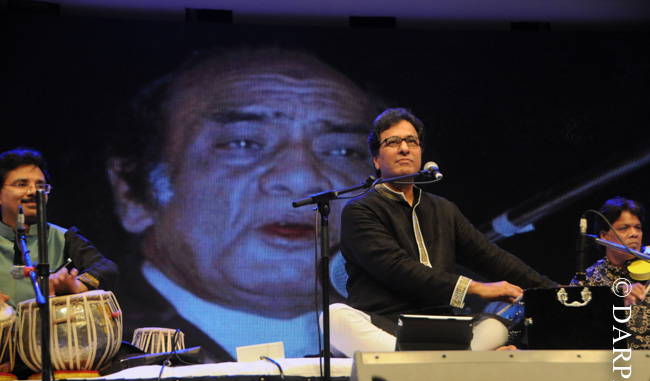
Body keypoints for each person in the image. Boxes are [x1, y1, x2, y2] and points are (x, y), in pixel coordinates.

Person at [107, 47, 383, 360]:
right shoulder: (94, 344)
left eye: (344, 151)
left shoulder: (402, 333)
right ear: (132, 193)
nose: (302, 178)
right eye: (243, 143)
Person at [327, 108, 556, 356]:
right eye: (393, 142)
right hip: (386, 325)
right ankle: (447, 359)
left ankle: (426, 360)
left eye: (412, 142)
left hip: (444, 330)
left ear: (420, 152)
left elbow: (491, 257)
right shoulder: (360, 210)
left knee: (498, 324)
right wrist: (476, 288)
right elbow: (397, 269)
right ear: (376, 159)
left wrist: (554, 290)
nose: (404, 149)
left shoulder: (443, 209)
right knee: (334, 317)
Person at [0, 148, 119, 373]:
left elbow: (107, 268)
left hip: (50, 357)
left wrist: (77, 285)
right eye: (21, 184)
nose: (33, 192)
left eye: (40, 185)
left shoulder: (63, 237)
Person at [571, 197, 649, 349]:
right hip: (613, 360)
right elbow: (576, 329)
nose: (634, 234)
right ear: (604, 235)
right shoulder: (588, 279)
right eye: (624, 228)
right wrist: (615, 301)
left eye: (638, 227)